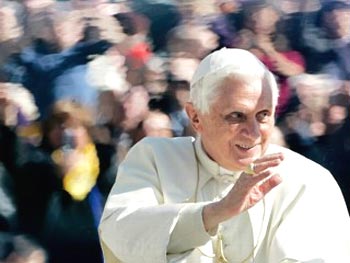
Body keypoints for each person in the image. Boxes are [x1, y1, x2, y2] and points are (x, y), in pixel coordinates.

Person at [98, 48, 350, 262]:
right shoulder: (155, 158)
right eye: (236, 116)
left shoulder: (307, 180)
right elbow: (120, 232)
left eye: (263, 115)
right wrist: (216, 212)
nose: (252, 133)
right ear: (196, 117)